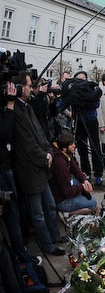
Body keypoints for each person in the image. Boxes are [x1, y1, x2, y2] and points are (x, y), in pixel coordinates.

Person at [11, 72, 64, 256]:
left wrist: (48, 151)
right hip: (30, 170)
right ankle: (47, 245)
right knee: (38, 214)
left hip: (41, 167)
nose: (30, 88)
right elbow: (26, 143)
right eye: (28, 85)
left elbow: (40, 134)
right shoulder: (16, 110)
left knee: (50, 206)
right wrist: (44, 157)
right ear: (19, 88)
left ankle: (55, 236)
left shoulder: (27, 106)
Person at [0, 81, 33, 264]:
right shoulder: (8, 107)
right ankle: (21, 257)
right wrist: (10, 104)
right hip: (3, 171)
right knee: (12, 214)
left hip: (7, 166)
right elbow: (5, 133)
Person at [50, 131, 97, 215]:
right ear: (64, 148)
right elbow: (67, 192)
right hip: (62, 200)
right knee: (93, 204)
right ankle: (67, 213)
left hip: (65, 190)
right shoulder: (60, 164)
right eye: (71, 144)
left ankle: (79, 199)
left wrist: (84, 180)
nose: (74, 146)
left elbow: (74, 168)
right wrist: (82, 187)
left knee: (80, 179)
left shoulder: (64, 154)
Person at [71, 71, 103, 185]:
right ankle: (86, 172)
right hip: (80, 121)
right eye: (80, 79)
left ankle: (98, 173)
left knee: (95, 147)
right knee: (82, 148)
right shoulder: (74, 92)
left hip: (91, 121)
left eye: (84, 79)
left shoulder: (91, 90)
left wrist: (87, 101)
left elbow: (96, 104)